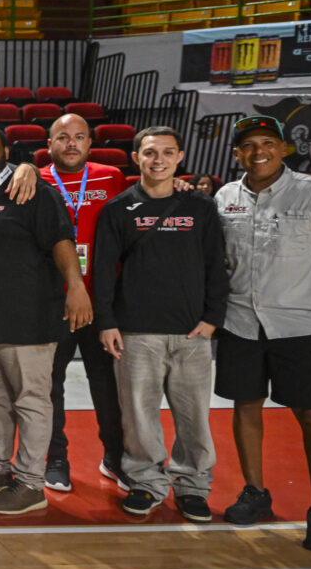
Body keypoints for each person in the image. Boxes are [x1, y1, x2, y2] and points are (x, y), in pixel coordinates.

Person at [214, 115, 311, 553]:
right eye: (248, 145)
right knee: (245, 407)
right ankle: (256, 492)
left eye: (268, 142)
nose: (258, 151)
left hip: (300, 324)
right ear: (236, 153)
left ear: (283, 148)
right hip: (241, 321)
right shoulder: (225, 197)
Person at [93, 127, 228, 523]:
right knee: (138, 416)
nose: (159, 160)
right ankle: (147, 483)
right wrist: (107, 321)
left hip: (191, 332)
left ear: (180, 157)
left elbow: (215, 265)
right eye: (150, 153)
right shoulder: (119, 209)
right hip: (136, 331)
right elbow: (102, 271)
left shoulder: (200, 207)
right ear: (136, 158)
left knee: (193, 418)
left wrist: (212, 319)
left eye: (167, 153)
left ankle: (192, 486)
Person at [0, 123, 90, 516]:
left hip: (27, 319)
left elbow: (61, 241)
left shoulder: (33, 190)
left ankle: (31, 483)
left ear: (6, 151)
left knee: (31, 401)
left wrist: (77, 287)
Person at [38, 113, 129, 493]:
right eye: (62, 137)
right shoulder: (37, 180)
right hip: (52, 303)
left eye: (78, 137)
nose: (71, 144)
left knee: (107, 384)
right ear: (50, 145)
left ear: (90, 143)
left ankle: (115, 456)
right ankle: (56, 458)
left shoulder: (111, 177)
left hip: (103, 303)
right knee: (49, 386)